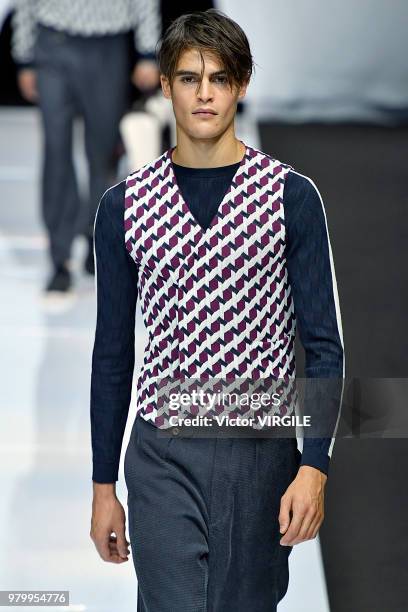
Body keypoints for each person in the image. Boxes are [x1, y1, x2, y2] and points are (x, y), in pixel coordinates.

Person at [89, 9, 345, 611]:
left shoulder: (291, 197)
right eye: (189, 77)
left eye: (221, 78)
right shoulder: (123, 206)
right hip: (161, 450)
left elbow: (324, 343)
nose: (205, 93)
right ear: (165, 85)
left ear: (242, 85)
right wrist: (104, 486)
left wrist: (314, 466)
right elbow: (112, 353)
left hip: (261, 451)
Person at [11, 0, 161, 292]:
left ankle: (96, 238)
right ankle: (59, 258)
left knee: (102, 153)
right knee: (55, 150)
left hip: (108, 43)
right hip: (52, 41)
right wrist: (25, 56)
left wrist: (147, 51)